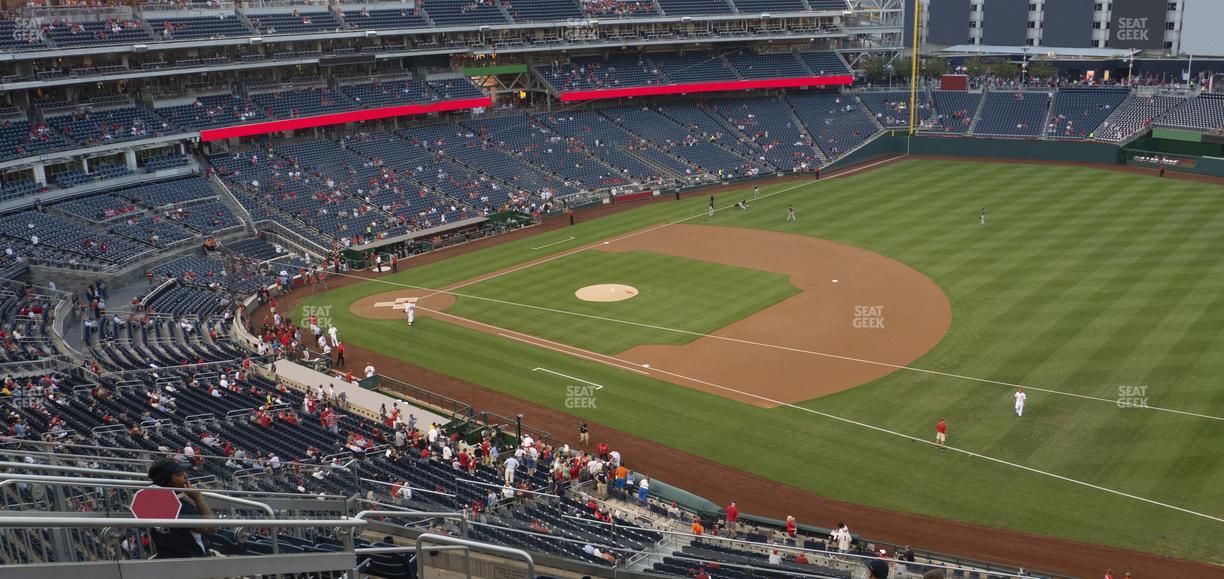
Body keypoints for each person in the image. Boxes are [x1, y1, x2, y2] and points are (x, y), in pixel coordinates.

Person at [146, 458, 216, 558]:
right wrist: (198, 498)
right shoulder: (180, 507)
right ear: (167, 481)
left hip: (168, 556)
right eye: (179, 475)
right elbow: (211, 529)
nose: (186, 476)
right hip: (193, 558)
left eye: (184, 472)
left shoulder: (155, 501)